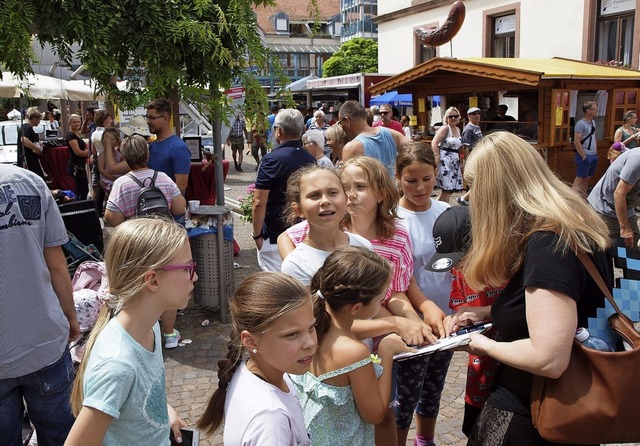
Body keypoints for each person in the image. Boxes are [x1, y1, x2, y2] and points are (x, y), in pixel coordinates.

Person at [457, 131, 611, 445]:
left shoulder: (548, 243)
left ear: (496, 189)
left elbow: (548, 358)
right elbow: (564, 309)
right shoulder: (574, 223)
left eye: (474, 186)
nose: (468, 197)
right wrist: (489, 312)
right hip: (567, 408)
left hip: (536, 414)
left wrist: (481, 345)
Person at [65, 219, 190, 445]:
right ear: (152, 280)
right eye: (188, 268)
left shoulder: (150, 326)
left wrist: (165, 411)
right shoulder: (119, 366)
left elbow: (138, 401)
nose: (195, 277)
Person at [291, 247, 413, 446]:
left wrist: (394, 324)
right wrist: (386, 351)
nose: (382, 304)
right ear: (357, 308)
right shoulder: (353, 352)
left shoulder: (312, 327)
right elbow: (375, 414)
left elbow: (350, 327)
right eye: (380, 300)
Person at [1, 164, 80, 445]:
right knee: (61, 436)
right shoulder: (30, 182)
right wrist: (70, 317)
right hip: (43, 340)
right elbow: (57, 264)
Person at [197, 272, 316, 445]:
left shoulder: (248, 369)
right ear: (251, 341)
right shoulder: (271, 420)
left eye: (311, 327)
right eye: (292, 335)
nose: (310, 342)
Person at [426, 206, 504, 438]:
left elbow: (527, 308)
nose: (457, 268)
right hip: (480, 372)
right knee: (476, 431)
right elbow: (461, 306)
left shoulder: (509, 261)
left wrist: (488, 312)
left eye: (459, 260)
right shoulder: (460, 271)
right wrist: (456, 321)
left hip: (515, 368)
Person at [395, 141, 454, 446]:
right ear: (398, 178)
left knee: (434, 386)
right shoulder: (391, 218)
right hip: (408, 322)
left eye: (427, 179)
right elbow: (398, 278)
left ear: (436, 173)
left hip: (444, 319)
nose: (420, 187)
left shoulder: (446, 212)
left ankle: (425, 440)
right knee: (405, 393)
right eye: (411, 180)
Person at [280, 165, 371, 285]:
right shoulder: (296, 264)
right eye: (314, 195)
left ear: (345, 199)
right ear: (299, 210)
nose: (325, 201)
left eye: (333, 193)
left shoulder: (364, 246)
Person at [252, 108, 316, 272]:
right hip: (304, 232)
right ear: (301, 130)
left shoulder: (271, 160)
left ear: (278, 130)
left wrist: (257, 235)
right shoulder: (310, 159)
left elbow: (259, 202)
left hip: (275, 234)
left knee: (278, 287)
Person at [104, 135, 186, 228]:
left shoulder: (121, 184)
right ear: (147, 155)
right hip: (163, 237)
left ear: (125, 158)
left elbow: (112, 219)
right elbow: (180, 208)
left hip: (138, 239)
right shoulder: (164, 178)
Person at [339, 100, 411, 178]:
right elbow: (417, 148)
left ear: (347, 121)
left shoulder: (351, 148)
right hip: (392, 189)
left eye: (340, 123)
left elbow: (348, 183)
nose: (341, 127)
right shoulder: (391, 134)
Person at [588, 148, 640, 248]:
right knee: (602, 250)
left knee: (633, 250)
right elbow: (619, 194)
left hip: (627, 209)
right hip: (603, 207)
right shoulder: (637, 160)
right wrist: (624, 228)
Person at [146, 98, 191, 194]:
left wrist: (165, 204)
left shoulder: (178, 148)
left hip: (168, 207)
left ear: (165, 119)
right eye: (147, 117)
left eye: (152, 118)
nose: (148, 121)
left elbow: (181, 185)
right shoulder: (152, 145)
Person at [431, 106, 463, 204]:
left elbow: (460, 147)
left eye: (455, 116)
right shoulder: (445, 128)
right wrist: (437, 156)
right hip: (445, 160)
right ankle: (445, 209)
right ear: (446, 118)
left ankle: (436, 206)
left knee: (451, 188)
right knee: (447, 188)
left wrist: (461, 160)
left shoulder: (458, 129)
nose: (453, 118)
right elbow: (434, 143)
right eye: (450, 116)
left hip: (455, 160)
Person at [572, 101, 599, 199]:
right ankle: (574, 199)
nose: (597, 110)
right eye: (595, 109)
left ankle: (583, 198)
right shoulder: (580, 124)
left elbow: (594, 137)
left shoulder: (593, 122)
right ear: (588, 111)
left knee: (587, 177)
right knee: (579, 177)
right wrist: (583, 156)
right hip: (584, 154)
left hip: (593, 154)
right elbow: (576, 141)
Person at [457, 107, 482, 206]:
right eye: (474, 114)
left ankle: (466, 198)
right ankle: (465, 198)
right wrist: (467, 161)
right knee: (478, 180)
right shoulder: (468, 129)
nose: (477, 115)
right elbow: (465, 147)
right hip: (473, 157)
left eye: (478, 113)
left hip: (479, 156)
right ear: (469, 116)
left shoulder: (477, 127)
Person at [90, 109, 114, 215]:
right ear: (104, 121)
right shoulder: (106, 133)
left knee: (99, 190)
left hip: (98, 160)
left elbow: (93, 150)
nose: (111, 121)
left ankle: (97, 212)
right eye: (109, 119)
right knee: (110, 189)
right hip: (107, 162)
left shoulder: (94, 132)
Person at [66, 113, 91, 200]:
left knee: (83, 190)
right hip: (76, 166)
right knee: (81, 191)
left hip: (80, 166)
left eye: (78, 122)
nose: (77, 124)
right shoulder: (71, 135)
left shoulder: (77, 134)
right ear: (70, 123)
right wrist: (89, 152)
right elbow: (78, 152)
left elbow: (84, 131)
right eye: (74, 122)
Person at [17, 106, 45, 179]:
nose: (39, 122)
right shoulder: (27, 128)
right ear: (35, 118)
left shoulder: (26, 127)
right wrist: (36, 148)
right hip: (28, 160)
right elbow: (24, 139)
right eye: (39, 120)